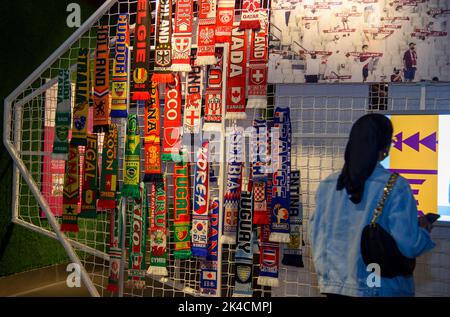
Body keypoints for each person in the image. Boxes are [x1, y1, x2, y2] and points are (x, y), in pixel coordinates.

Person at [309, 114, 435, 297]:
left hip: (334, 289)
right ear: (385, 148)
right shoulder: (396, 187)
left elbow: (316, 238)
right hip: (382, 289)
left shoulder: (328, 185)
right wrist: (423, 230)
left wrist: (328, 279)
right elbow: (410, 245)